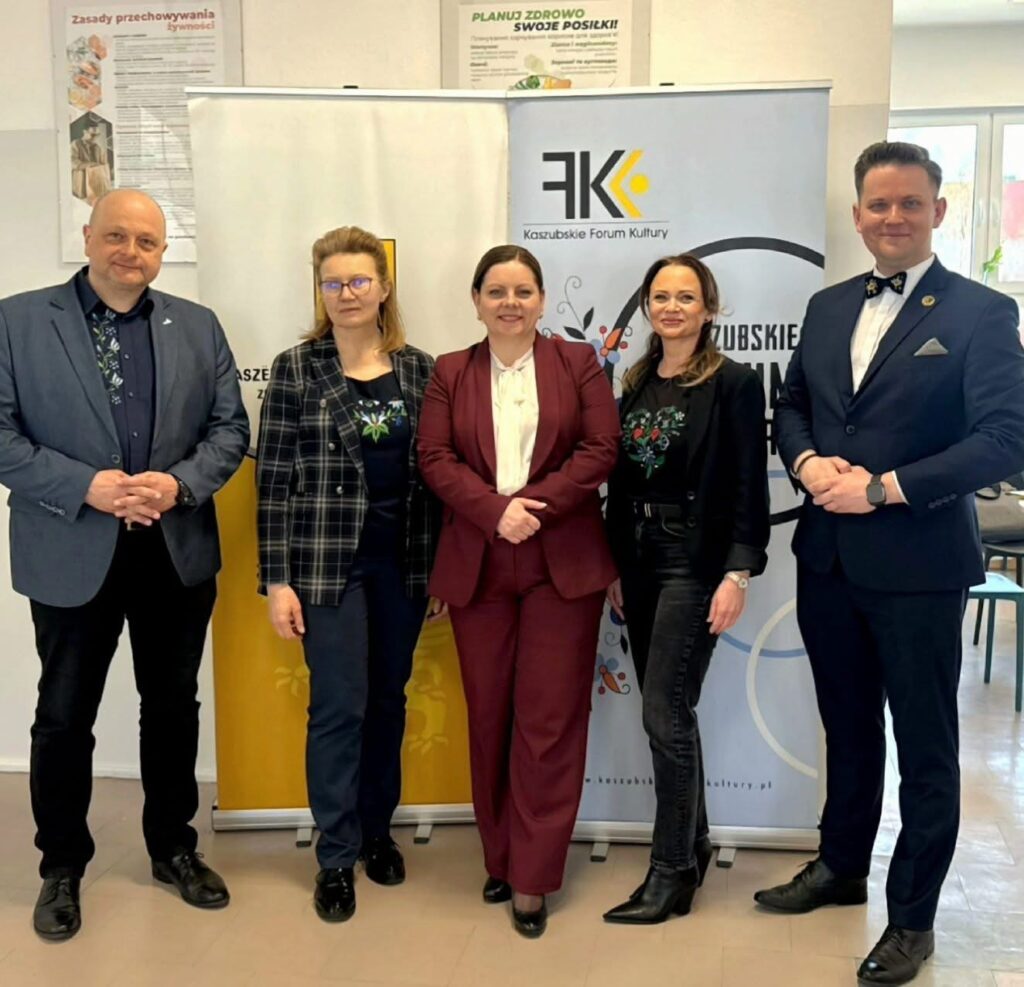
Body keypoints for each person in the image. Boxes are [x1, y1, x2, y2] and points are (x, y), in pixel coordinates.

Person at [758, 141, 1024, 985]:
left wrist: (885, 488)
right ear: (858, 213)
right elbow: (793, 404)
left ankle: (912, 917)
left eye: (911, 202)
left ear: (939, 211)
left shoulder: (982, 312)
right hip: (827, 560)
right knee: (847, 729)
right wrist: (807, 464)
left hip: (919, 564)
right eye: (879, 204)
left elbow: (1005, 439)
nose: (894, 217)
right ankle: (841, 866)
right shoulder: (826, 305)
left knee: (926, 746)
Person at [0, 189, 249, 941]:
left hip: (174, 550)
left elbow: (229, 429)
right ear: (88, 235)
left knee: (171, 707)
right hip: (71, 547)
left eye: (146, 241)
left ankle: (173, 847)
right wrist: (86, 485)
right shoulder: (17, 321)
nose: (129, 252)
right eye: (116, 235)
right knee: (63, 714)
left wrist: (178, 485)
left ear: (162, 252)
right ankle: (61, 866)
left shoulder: (197, 326)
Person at [417, 244, 620, 938]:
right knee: (490, 716)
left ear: (542, 301)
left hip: (560, 560)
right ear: (476, 301)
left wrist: (531, 507)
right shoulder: (450, 371)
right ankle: (500, 856)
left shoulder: (578, 362)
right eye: (496, 291)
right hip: (479, 562)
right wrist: (493, 511)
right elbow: (434, 457)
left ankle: (533, 875)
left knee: (549, 720)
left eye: (523, 291)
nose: (510, 303)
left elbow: (600, 449)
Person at [256, 226, 439, 924]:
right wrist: (277, 580)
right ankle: (335, 858)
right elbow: (273, 482)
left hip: (403, 564)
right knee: (339, 708)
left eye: (359, 280)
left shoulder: (421, 370)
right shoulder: (297, 368)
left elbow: (439, 477)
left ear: (384, 287)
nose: (346, 293)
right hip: (327, 568)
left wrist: (441, 571)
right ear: (320, 290)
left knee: (388, 702)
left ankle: (375, 833)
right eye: (333, 282)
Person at [601, 254, 769, 924]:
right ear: (648, 306)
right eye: (661, 296)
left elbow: (748, 485)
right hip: (638, 560)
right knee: (670, 711)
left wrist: (737, 572)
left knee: (664, 713)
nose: (672, 307)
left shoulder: (734, 383)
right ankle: (691, 844)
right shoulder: (636, 379)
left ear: (709, 308)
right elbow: (621, 483)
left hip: (693, 564)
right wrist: (613, 564)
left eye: (686, 297)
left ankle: (669, 871)